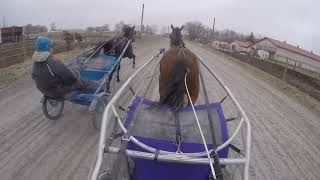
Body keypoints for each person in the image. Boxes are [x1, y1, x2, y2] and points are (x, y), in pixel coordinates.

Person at [31, 36, 99, 99]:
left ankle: (76, 62)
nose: (52, 48)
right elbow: (71, 79)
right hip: (60, 93)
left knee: (72, 63)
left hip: (46, 91)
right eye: (51, 46)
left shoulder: (35, 63)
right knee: (84, 81)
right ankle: (101, 87)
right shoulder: (53, 62)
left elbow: (33, 76)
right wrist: (76, 76)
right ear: (48, 47)